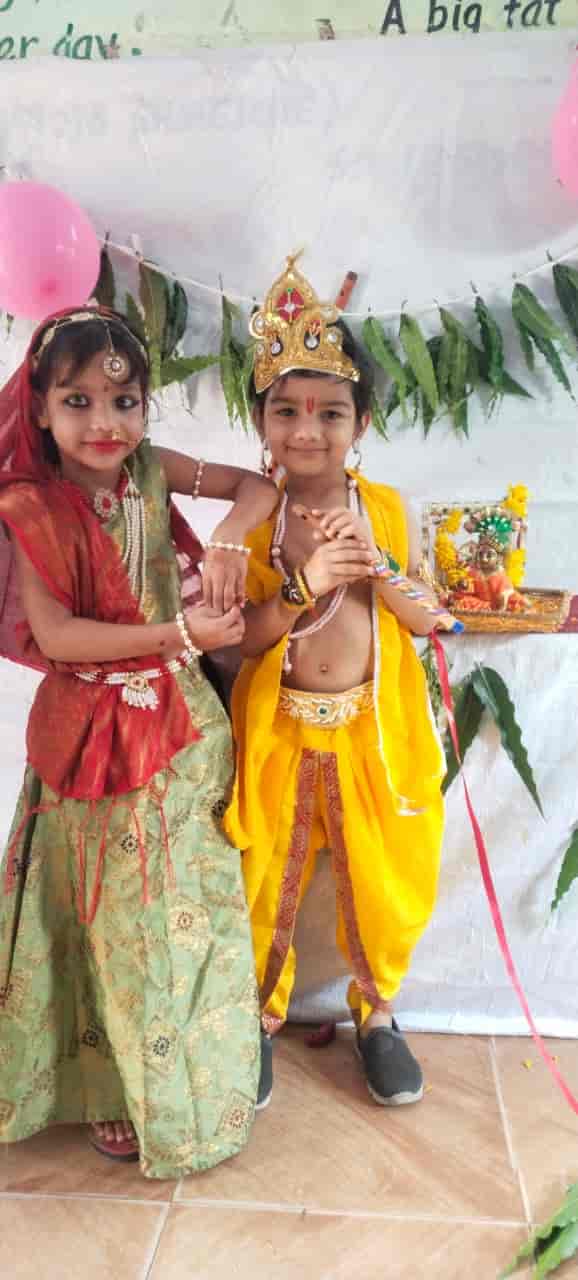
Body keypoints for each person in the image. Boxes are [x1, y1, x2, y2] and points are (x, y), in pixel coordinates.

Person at [0, 305, 278, 1178]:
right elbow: (60, 638)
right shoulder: (31, 505)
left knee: (185, 914)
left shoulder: (152, 470)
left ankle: (197, 1075)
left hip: (183, 732)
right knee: (107, 920)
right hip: (90, 740)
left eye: (125, 402)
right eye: (78, 401)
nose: (105, 424)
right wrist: (179, 634)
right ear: (39, 407)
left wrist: (228, 537)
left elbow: (257, 487)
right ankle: (112, 1085)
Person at [224, 256, 446, 1110]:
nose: (307, 431)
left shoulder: (383, 508)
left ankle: (377, 1015)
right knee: (260, 879)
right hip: (280, 726)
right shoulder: (254, 518)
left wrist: (373, 562)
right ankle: (255, 1016)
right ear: (261, 420)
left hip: (370, 733)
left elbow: (427, 620)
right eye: (286, 410)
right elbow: (244, 639)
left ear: (361, 423)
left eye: (330, 412)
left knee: (385, 879)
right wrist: (303, 582)